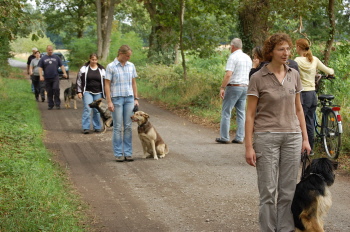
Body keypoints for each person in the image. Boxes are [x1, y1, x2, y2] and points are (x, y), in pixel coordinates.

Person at [245, 33, 311, 232]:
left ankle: (285, 228)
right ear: (271, 52)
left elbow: (299, 109)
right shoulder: (258, 77)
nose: (286, 53)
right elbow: (249, 115)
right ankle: (267, 229)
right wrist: (249, 146)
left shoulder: (294, 75)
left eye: (288, 49)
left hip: (292, 137)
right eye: (281, 49)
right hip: (266, 137)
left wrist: (305, 139)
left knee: (288, 190)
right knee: (267, 190)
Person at [295, 38, 334, 153]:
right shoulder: (315, 60)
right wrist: (331, 72)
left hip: (303, 95)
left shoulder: (297, 60)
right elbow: (329, 71)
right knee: (310, 122)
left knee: (299, 122)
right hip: (313, 95)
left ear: (298, 47)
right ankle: (309, 150)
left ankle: (299, 149)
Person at [105, 45, 139, 162]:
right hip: (117, 99)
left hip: (129, 98)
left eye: (130, 56)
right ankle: (119, 153)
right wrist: (109, 101)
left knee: (128, 126)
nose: (129, 58)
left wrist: (136, 98)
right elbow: (107, 85)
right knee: (118, 127)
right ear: (121, 54)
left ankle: (128, 153)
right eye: (127, 55)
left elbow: (133, 83)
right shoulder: (111, 66)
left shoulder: (131, 66)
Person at [215, 38, 252, 144]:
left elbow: (228, 74)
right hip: (245, 86)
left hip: (234, 86)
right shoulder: (247, 57)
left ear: (232, 46)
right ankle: (240, 137)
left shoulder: (233, 57)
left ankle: (224, 137)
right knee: (241, 112)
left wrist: (222, 87)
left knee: (226, 111)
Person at [76, 54, 106, 134]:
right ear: (89, 59)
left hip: (98, 92)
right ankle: (86, 127)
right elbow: (79, 80)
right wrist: (79, 91)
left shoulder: (102, 69)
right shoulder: (84, 69)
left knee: (97, 110)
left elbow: (106, 82)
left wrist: (106, 93)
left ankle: (97, 127)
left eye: (95, 60)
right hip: (87, 92)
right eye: (92, 59)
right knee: (87, 108)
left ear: (97, 60)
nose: (94, 61)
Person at [38, 45, 67, 110]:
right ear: (47, 50)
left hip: (55, 77)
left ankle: (57, 104)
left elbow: (62, 65)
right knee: (49, 91)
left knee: (56, 89)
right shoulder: (43, 58)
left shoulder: (56, 58)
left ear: (52, 50)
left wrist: (64, 73)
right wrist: (40, 75)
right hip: (47, 77)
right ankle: (50, 104)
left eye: (51, 50)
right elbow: (40, 67)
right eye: (49, 50)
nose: (50, 51)